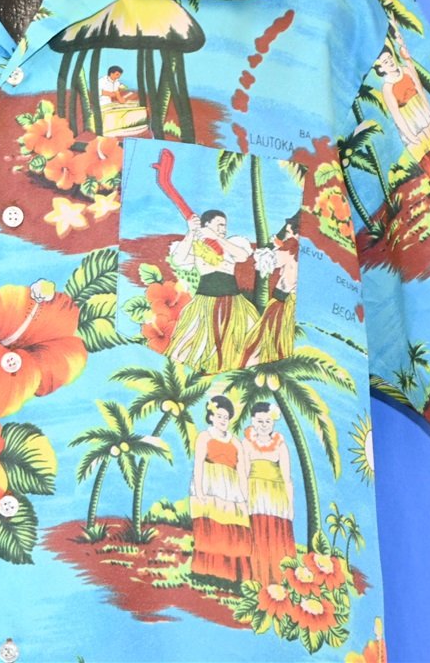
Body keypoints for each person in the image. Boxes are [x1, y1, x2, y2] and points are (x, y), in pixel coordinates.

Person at [374, 23, 430, 208]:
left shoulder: (406, 70)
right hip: (411, 122)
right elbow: (396, 114)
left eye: (389, 58)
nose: (389, 62)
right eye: (385, 62)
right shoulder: (387, 87)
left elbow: (420, 89)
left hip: (423, 113)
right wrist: (410, 135)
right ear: (381, 68)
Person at [165, 209, 261, 373]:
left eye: (225, 225)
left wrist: (217, 238)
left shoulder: (230, 243)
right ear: (206, 225)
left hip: (233, 302)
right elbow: (179, 260)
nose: (223, 229)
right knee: (194, 340)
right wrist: (191, 232)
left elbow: (242, 256)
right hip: (204, 301)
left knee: (243, 338)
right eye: (219, 225)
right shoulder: (197, 246)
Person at [190, 393, 253, 586]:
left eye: (226, 417)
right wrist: (199, 491)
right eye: (219, 416)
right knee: (211, 529)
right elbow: (198, 465)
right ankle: (207, 572)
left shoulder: (235, 442)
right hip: (210, 486)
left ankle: (231, 576)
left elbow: (242, 471)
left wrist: (245, 497)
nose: (223, 420)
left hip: (231, 490)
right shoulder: (204, 437)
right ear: (211, 417)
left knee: (232, 532)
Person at [241, 402, 296, 585]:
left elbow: (287, 478)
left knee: (276, 533)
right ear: (252, 421)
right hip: (255, 493)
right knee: (257, 533)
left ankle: (281, 580)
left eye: (267, 421)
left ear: (273, 422)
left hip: (276, 496)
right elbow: (243, 473)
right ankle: (257, 579)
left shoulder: (280, 445)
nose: (264, 425)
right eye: (260, 421)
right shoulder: (246, 443)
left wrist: (290, 506)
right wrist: (244, 499)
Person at [240, 213, 300, 365]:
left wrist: (272, 247)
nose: (287, 236)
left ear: (295, 232)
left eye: (288, 232)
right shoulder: (299, 249)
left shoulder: (292, 245)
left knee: (264, 338)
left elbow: (267, 262)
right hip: (288, 299)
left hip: (282, 301)